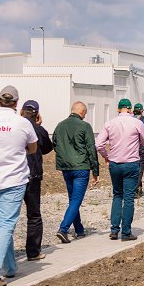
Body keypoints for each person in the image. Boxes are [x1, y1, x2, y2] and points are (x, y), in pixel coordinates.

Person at [0, 86, 38, 286]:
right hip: (13, 179)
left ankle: (10, 267)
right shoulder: (22, 123)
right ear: (16, 103)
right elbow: (33, 148)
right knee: (5, 225)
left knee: (0, 225)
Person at [96, 98, 144, 241]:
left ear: (118, 109)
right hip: (131, 163)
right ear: (131, 110)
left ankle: (114, 230)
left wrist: (106, 156)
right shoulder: (137, 123)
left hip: (115, 163)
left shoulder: (109, 123)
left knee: (117, 195)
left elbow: (99, 144)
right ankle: (126, 232)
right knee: (128, 198)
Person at [53, 101, 100, 244]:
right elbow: (91, 149)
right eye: (85, 113)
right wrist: (95, 171)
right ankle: (63, 229)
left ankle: (79, 229)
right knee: (76, 200)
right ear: (81, 112)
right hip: (81, 168)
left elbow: (55, 143)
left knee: (73, 199)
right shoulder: (85, 126)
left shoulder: (60, 125)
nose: (85, 116)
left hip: (66, 168)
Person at [20, 100, 53, 261]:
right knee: (33, 215)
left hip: (15, 176)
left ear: (21, 111)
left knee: (8, 217)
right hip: (33, 176)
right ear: (37, 114)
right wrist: (39, 126)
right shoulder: (38, 130)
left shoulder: (16, 126)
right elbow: (47, 148)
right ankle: (33, 252)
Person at [133, 103, 144, 198]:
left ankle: (137, 188)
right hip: (141, 148)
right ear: (142, 111)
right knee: (140, 169)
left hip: (131, 148)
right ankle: (136, 190)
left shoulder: (130, 119)